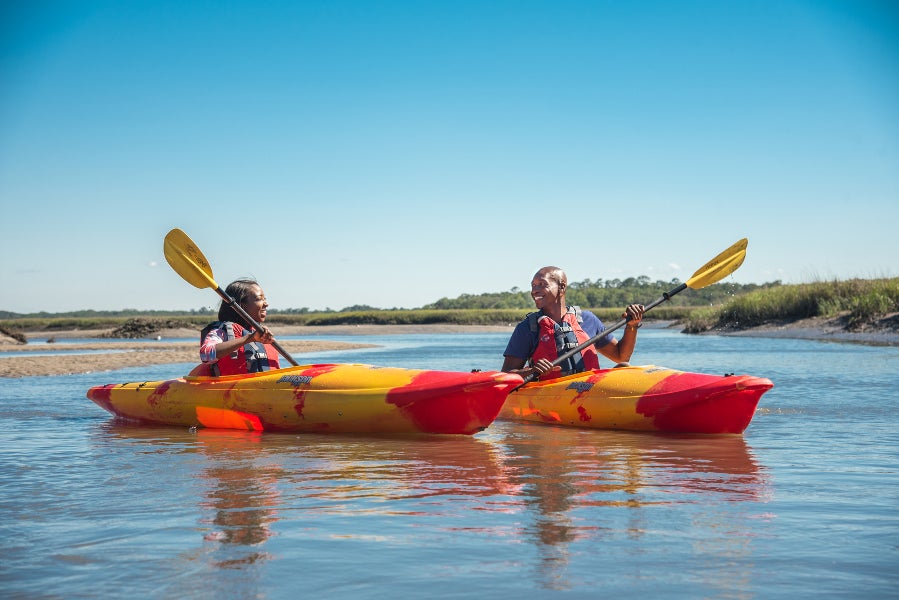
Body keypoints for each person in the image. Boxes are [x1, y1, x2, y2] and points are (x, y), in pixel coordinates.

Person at [502, 266, 645, 380]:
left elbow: (621, 356)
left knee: (623, 365)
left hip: (591, 391)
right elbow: (506, 376)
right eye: (533, 285)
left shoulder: (588, 320)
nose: (535, 290)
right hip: (552, 395)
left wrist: (632, 326)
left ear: (562, 287)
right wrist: (531, 371)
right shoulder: (527, 328)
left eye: (542, 284)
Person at [197, 279, 281, 376]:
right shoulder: (222, 331)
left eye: (264, 299)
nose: (266, 304)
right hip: (234, 390)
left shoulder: (262, 333)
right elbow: (205, 355)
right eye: (259, 299)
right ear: (241, 304)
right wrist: (250, 338)